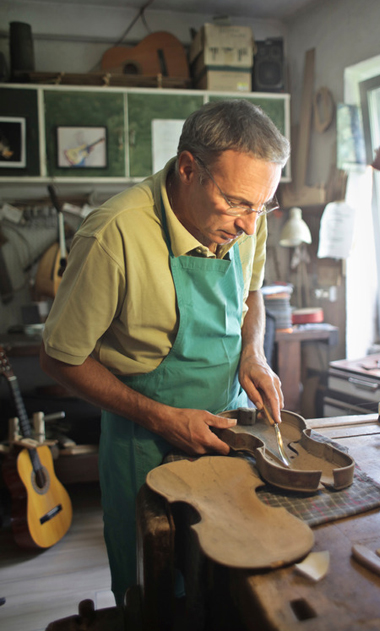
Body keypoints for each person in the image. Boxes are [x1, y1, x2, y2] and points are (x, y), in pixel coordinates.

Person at [40, 99, 290, 605]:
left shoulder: (248, 215)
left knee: (231, 584)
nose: (248, 224)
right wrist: (161, 418)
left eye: (261, 207)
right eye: (237, 203)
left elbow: (253, 294)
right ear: (187, 169)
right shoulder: (114, 234)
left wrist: (253, 354)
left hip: (229, 431)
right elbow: (60, 358)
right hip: (146, 446)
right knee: (158, 594)